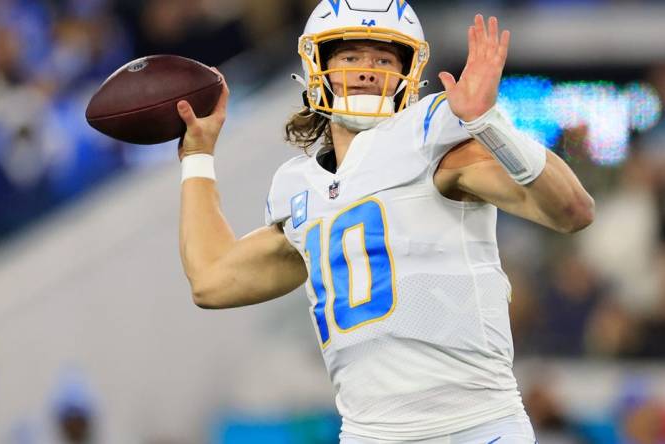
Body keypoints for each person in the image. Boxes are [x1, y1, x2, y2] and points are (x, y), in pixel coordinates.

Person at [176, 1, 594, 442]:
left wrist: (489, 124)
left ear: (409, 72)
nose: (367, 70)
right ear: (316, 65)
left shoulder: (433, 142)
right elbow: (211, 281)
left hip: (476, 426)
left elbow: (573, 211)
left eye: (382, 58)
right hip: (370, 434)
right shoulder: (298, 188)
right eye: (350, 56)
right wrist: (197, 156)